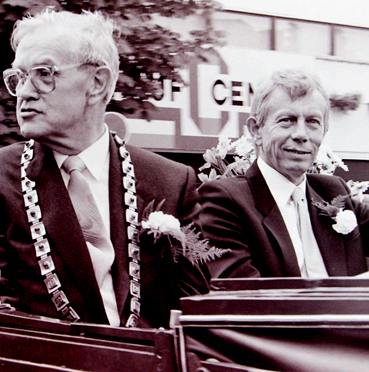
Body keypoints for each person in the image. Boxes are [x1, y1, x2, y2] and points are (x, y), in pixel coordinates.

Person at [0, 9, 209, 329]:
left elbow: (195, 311)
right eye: (18, 78)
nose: (25, 93)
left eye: (43, 73)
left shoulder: (171, 182)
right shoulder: (4, 178)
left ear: (97, 83)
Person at [198, 69, 369, 279]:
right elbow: (245, 297)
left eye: (313, 122)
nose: (301, 134)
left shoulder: (332, 191)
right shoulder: (226, 201)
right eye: (287, 120)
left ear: (324, 133)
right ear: (255, 130)